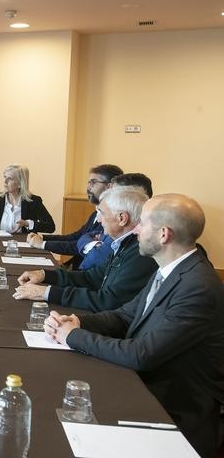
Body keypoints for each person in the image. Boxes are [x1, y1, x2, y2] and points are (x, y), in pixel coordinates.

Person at [43, 194, 224, 457]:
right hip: (147, 386)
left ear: (164, 235)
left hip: (174, 410)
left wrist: (73, 337)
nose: (136, 229)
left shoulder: (198, 287)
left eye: (143, 223)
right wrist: (78, 321)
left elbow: (141, 354)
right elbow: (125, 316)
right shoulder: (169, 269)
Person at [13, 186, 157, 312]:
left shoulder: (140, 253)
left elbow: (108, 301)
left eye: (102, 213)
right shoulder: (123, 244)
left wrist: (47, 292)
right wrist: (45, 275)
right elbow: (91, 277)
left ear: (122, 218)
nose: (99, 220)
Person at [27, 164, 123, 268]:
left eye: (93, 182)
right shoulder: (96, 213)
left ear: (110, 186)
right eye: (88, 182)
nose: (88, 187)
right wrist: (43, 237)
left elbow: (77, 245)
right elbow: (77, 237)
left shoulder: (111, 218)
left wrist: (43, 244)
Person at [76, 172, 154, 270]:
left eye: (117, 192)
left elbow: (96, 258)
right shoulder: (112, 221)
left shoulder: (139, 245)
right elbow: (85, 235)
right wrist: (93, 244)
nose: (100, 219)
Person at [0, 164, 55, 234]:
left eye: (10, 179)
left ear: (20, 183)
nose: (5, 182)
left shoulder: (33, 201)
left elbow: (50, 226)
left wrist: (27, 223)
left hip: (23, 243)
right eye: (5, 177)